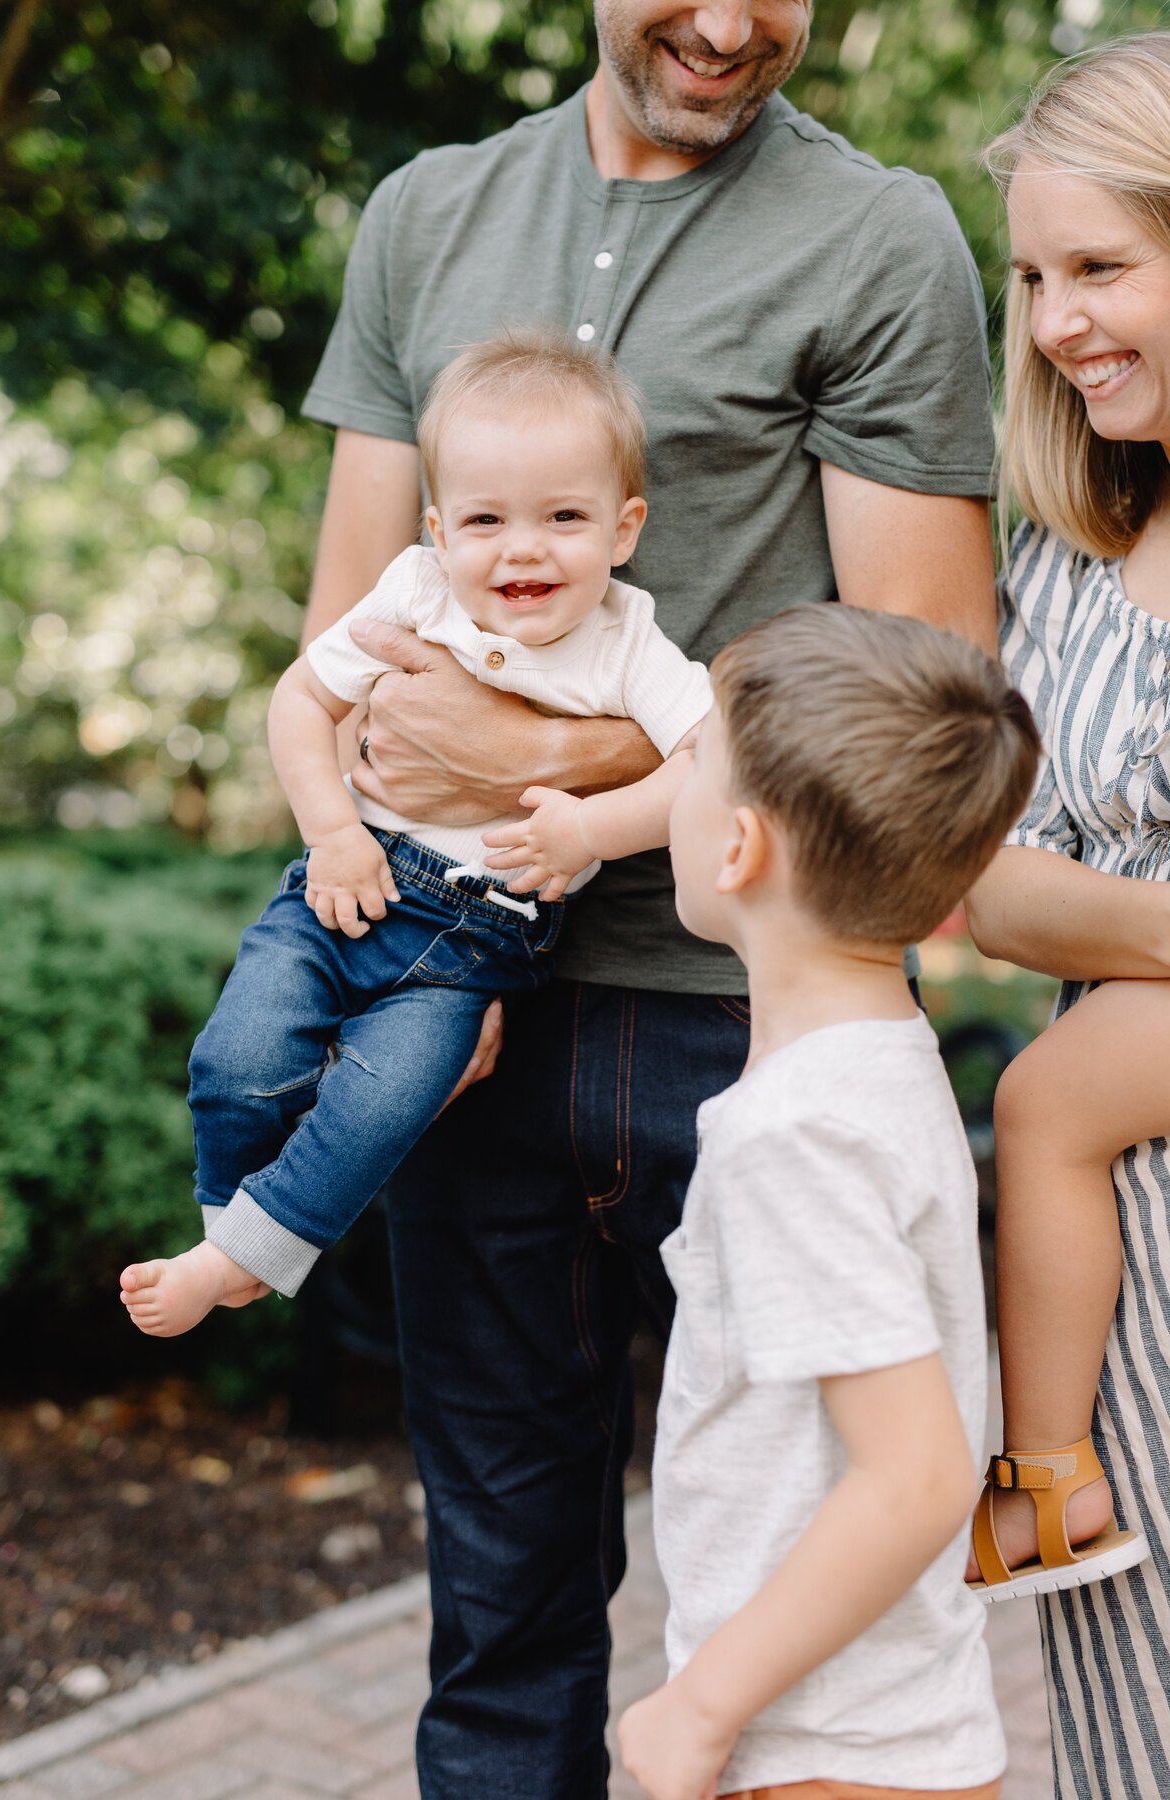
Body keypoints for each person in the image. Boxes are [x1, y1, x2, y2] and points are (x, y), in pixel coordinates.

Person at [299, 2, 999, 1789]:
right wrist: (377, 989)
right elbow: (349, 668)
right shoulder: (423, 219)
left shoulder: (877, 235)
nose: (731, 14)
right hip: (473, 1007)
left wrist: (596, 780)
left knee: (789, 1591)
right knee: (503, 1603)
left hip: (752, 1025)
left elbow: (919, 698)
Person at [118, 333, 711, 1336]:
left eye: (564, 517)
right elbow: (301, 701)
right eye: (485, 520)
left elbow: (714, 759)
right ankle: (233, 1236)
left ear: (623, 527)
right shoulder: (415, 592)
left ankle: (239, 1257)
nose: (522, 548)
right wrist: (332, 828)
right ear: (438, 528)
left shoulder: (628, 642)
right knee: (239, 1061)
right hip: (351, 883)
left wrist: (593, 825)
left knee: (381, 1109)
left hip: (474, 949)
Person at [617, 604, 1037, 1800]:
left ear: (738, 848)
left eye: (691, 757)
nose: (674, 772)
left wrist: (703, 1706)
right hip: (884, 1733)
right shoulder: (885, 1058)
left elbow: (914, 1478)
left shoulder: (793, 1133)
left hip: (823, 1754)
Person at [963, 30, 1170, 1793]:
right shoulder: (1069, 550)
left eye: (1101, 267)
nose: (1054, 323)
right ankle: (1044, 1463)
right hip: (1115, 1298)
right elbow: (987, 886)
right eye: (1035, 275)